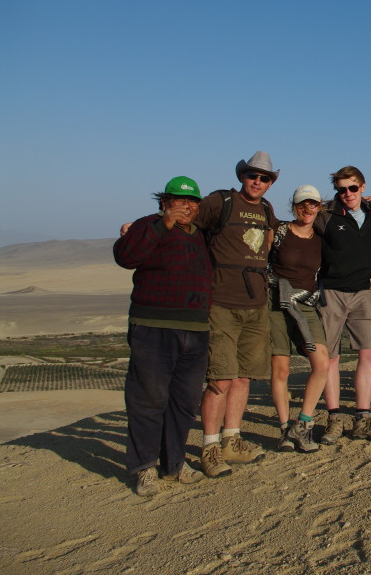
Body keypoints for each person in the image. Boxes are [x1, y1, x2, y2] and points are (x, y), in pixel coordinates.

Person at [113, 176, 212, 496]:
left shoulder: (201, 236)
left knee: (183, 402)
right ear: (164, 202)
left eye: (192, 201)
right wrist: (162, 223)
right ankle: (144, 468)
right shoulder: (148, 225)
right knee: (148, 399)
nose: (187, 206)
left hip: (196, 329)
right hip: (153, 327)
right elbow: (126, 257)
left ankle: (174, 463)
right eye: (179, 200)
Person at [194, 151, 281, 478]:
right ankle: (210, 447)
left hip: (255, 304)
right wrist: (146, 223)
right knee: (220, 378)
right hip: (221, 303)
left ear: (271, 183)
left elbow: (270, 237)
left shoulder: (267, 209)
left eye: (264, 178)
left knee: (244, 376)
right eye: (253, 175)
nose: (257, 182)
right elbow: (188, 220)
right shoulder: (220, 202)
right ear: (242, 176)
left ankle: (232, 439)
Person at [314, 166, 371, 443]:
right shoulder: (326, 215)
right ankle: (333, 419)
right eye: (342, 189)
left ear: (362, 186)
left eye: (353, 188)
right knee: (330, 357)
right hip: (331, 291)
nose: (347, 194)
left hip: (363, 290)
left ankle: (363, 418)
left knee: (368, 353)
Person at [268, 186, 329, 453]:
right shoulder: (280, 231)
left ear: (319, 206)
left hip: (305, 304)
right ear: (294, 206)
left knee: (321, 363)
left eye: (313, 204)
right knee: (280, 369)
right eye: (302, 204)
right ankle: (284, 430)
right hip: (276, 303)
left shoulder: (320, 238)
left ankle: (302, 423)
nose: (308, 209)